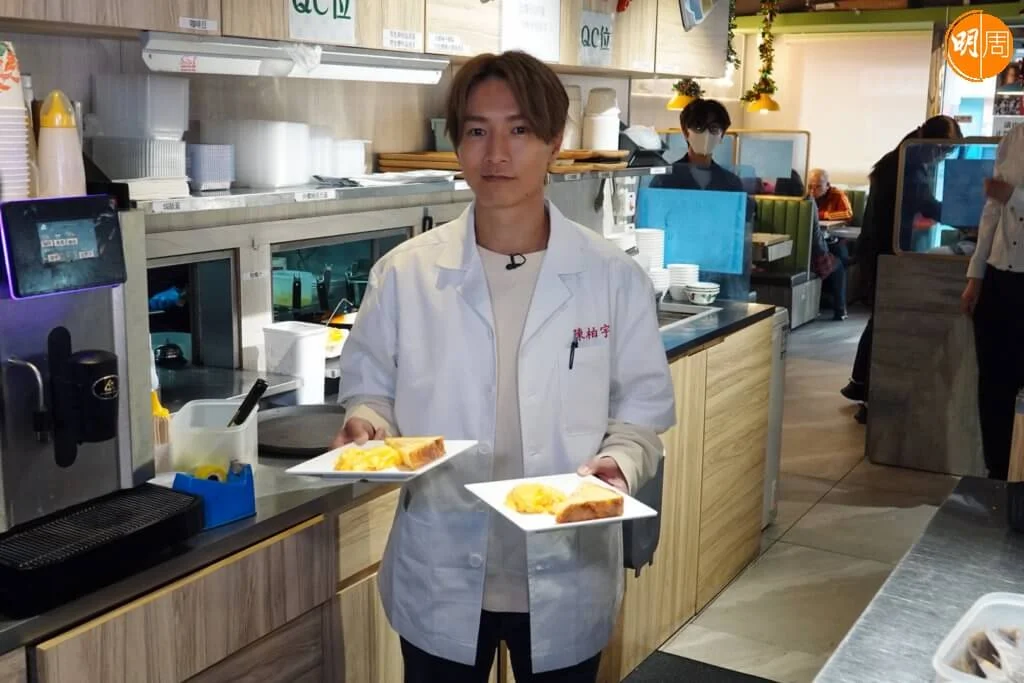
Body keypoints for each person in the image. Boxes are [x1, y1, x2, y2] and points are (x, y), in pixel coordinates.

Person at [332, 51, 676, 683]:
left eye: (519, 130)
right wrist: (367, 426)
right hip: (439, 567)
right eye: (477, 130)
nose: (496, 154)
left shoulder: (611, 277)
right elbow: (370, 393)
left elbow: (640, 418)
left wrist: (618, 465)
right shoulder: (405, 274)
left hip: (568, 567)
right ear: (457, 143)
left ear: (554, 141)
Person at [841, 116, 962, 422]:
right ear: (929, 141)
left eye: (948, 152)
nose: (942, 157)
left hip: (879, 251)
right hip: (884, 253)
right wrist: (965, 220)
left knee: (879, 319)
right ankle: (869, 395)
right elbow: (927, 204)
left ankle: (860, 385)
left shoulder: (898, 158)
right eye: (942, 150)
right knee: (885, 322)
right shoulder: (907, 164)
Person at [960, 124, 1024, 480]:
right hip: (999, 279)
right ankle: (996, 474)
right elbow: (992, 212)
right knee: (994, 384)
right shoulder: (1013, 139)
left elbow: (1006, 197)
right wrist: (976, 276)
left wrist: (1013, 195)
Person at [650, 98, 745, 193]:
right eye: (699, 127)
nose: (706, 133)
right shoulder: (664, 179)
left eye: (714, 128)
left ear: (722, 135)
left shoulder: (731, 183)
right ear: (685, 131)